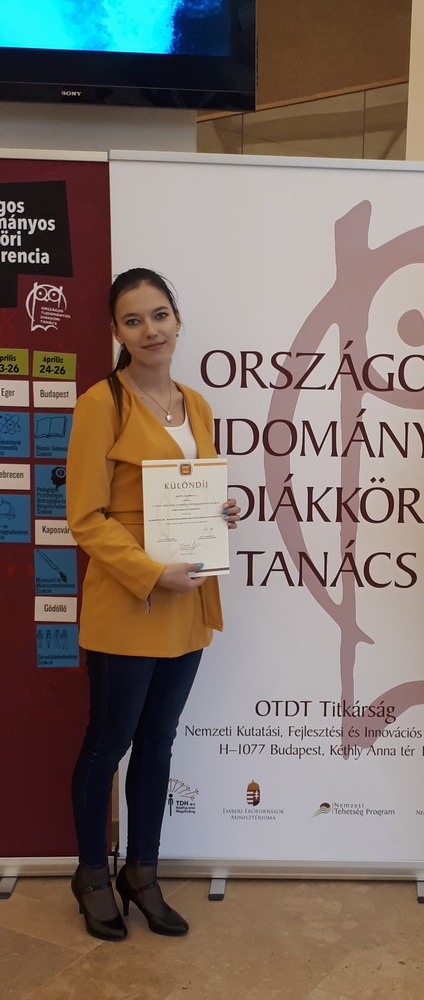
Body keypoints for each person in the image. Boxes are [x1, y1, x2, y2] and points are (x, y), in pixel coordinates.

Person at [66, 268, 240, 941]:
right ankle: (91, 873)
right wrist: (150, 571)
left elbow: (194, 489)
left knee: (159, 744)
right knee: (107, 744)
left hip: (186, 603)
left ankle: (142, 872)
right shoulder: (100, 404)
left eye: (159, 315)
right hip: (128, 603)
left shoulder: (197, 404)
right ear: (116, 331)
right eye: (133, 320)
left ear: (177, 319)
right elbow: (86, 517)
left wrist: (221, 510)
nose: (150, 330)